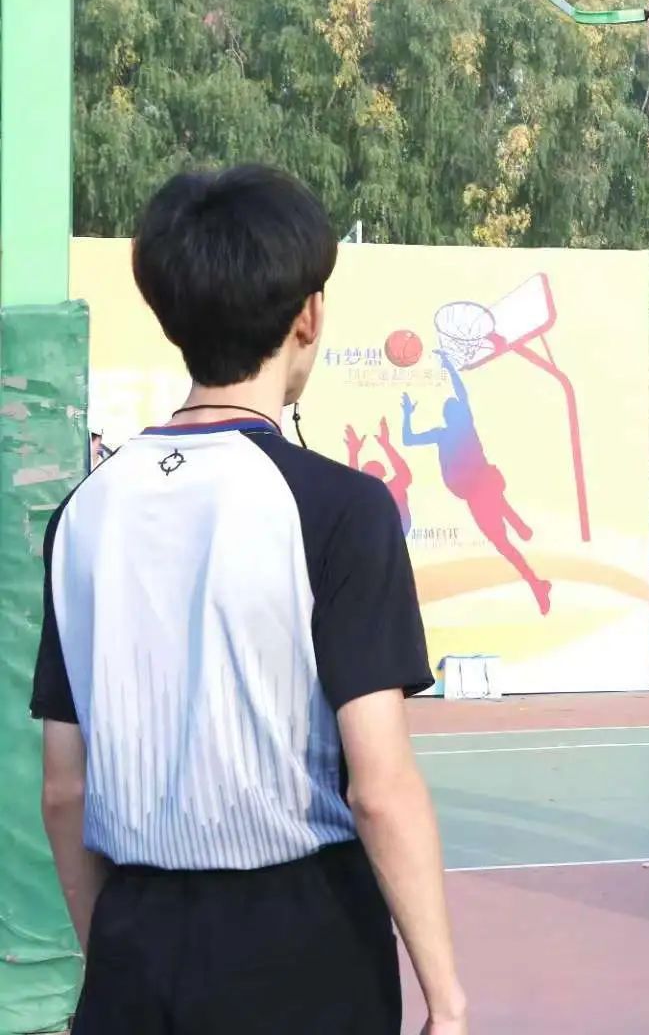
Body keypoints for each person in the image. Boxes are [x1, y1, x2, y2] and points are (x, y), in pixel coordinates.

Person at [31, 166, 465, 1034]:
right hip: (303, 943)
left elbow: (64, 790)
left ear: (171, 316)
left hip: (134, 937)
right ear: (309, 316)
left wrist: (112, 954)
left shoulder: (82, 513)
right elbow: (379, 789)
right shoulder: (341, 509)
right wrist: (445, 1000)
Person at [403, 350, 551, 614]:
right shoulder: (450, 432)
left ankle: (518, 532)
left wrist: (448, 368)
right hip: (477, 489)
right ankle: (529, 563)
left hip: (481, 486)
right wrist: (407, 413)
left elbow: (459, 396)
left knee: (495, 515)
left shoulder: (458, 428)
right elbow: (410, 439)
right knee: (499, 529)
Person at [346, 417, 414, 534]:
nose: (371, 475)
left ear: (382, 474)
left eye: (373, 470)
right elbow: (354, 484)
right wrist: (353, 453)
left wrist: (386, 445)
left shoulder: (392, 488)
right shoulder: (363, 494)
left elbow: (404, 474)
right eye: (368, 472)